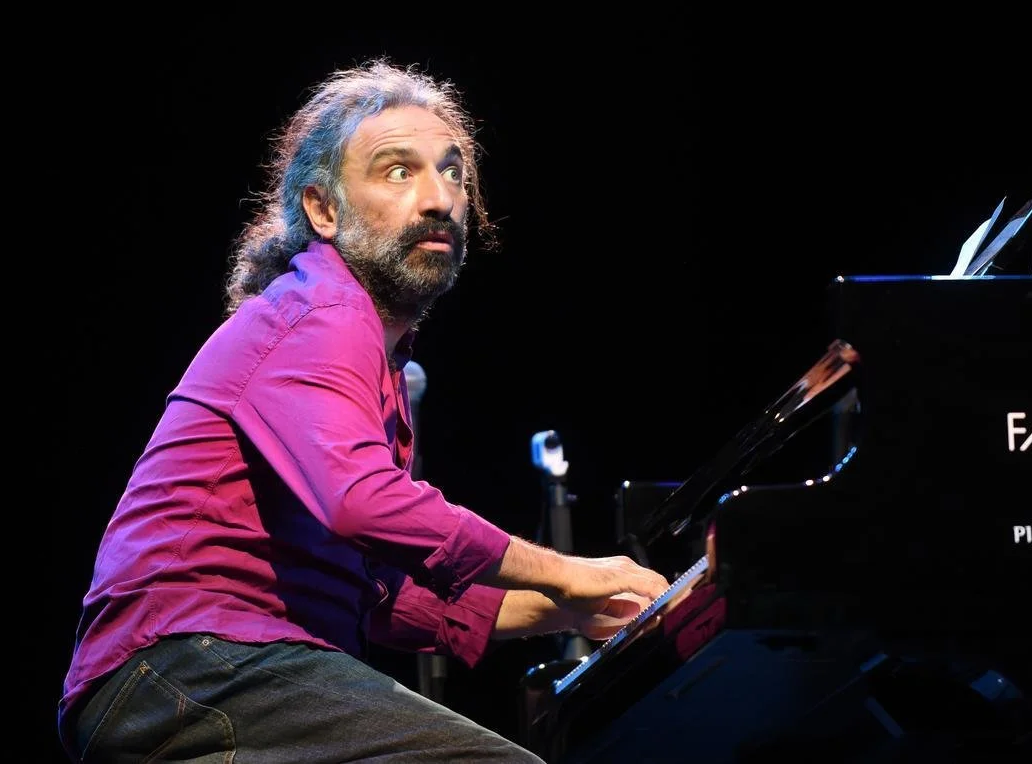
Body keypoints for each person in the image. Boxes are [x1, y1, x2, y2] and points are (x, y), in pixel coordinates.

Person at [58, 58, 672, 763]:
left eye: (452, 173)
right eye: (398, 171)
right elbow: (363, 503)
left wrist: (568, 609)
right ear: (323, 210)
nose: (438, 199)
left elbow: (382, 597)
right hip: (189, 664)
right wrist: (567, 571)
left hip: (185, 676)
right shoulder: (322, 309)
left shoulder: (365, 351)